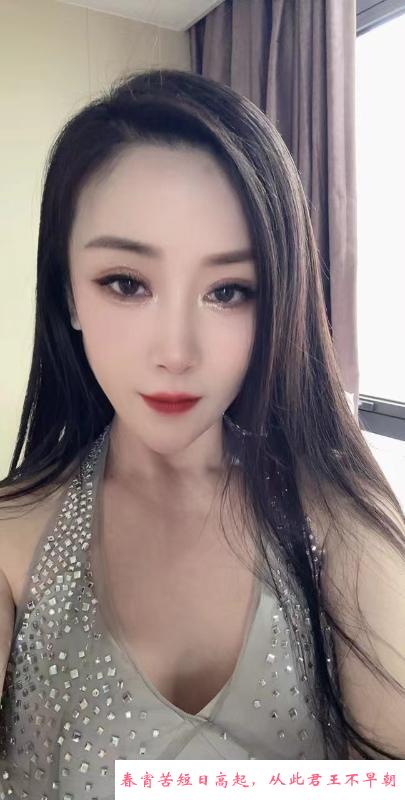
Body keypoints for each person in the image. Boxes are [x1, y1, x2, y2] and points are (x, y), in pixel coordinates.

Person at [0, 67, 404, 798]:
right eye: (126, 282)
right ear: (69, 294)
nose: (176, 352)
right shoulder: (12, 535)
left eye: (228, 291)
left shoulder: (339, 521)